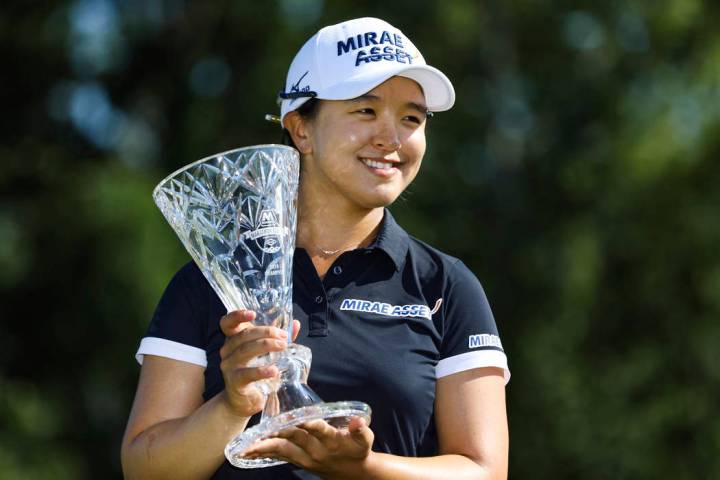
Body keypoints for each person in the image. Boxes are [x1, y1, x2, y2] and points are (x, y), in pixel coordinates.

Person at [121, 17, 510, 480]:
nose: (392, 136)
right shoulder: (210, 280)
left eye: (412, 117)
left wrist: (364, 468)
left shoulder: (446, 285)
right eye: (365, 111)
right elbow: (145, 470)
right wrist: (232, 405)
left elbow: (485, 471)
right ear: (300, 129)